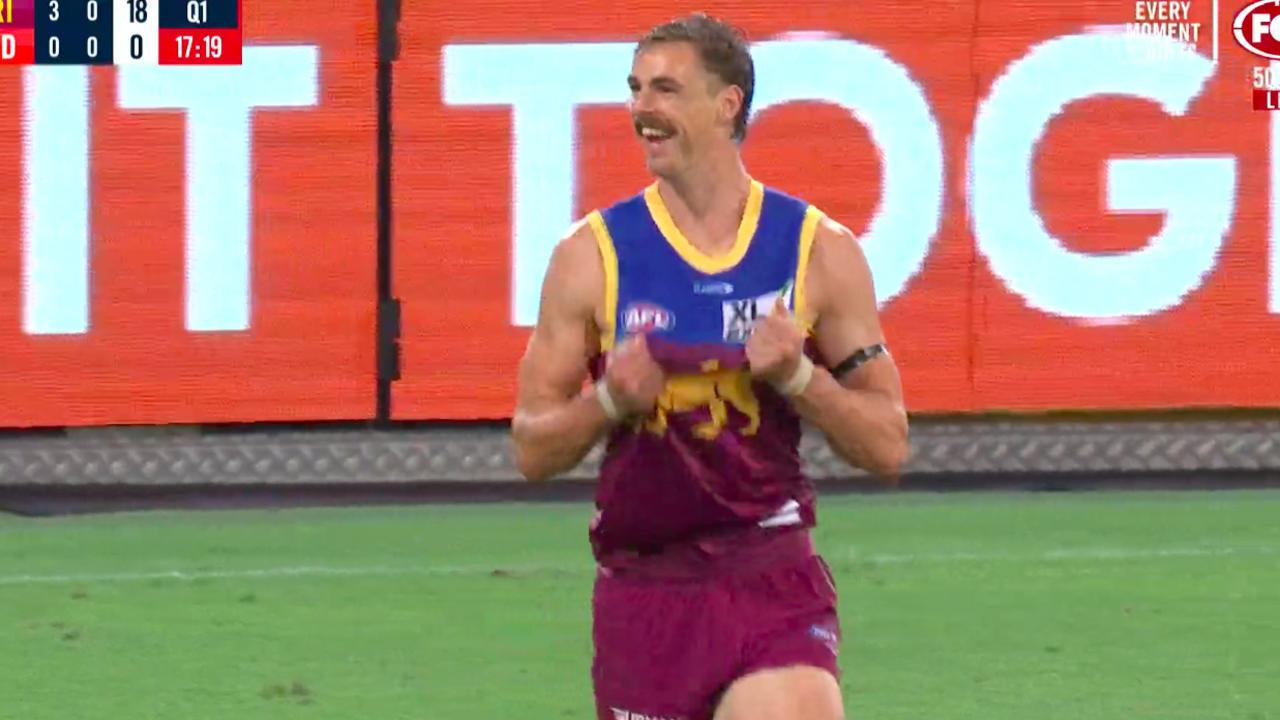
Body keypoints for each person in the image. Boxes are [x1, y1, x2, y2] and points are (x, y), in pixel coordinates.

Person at [511, 13, 908, 720]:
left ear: (727, 105)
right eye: (635, 90)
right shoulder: (591, 255)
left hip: (769, 571)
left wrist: (799, 378)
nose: (641, 109)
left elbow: (887, 443)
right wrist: (607, 400)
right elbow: (532, 447)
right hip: (646, 589)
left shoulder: (817, 249)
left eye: (665, 89)